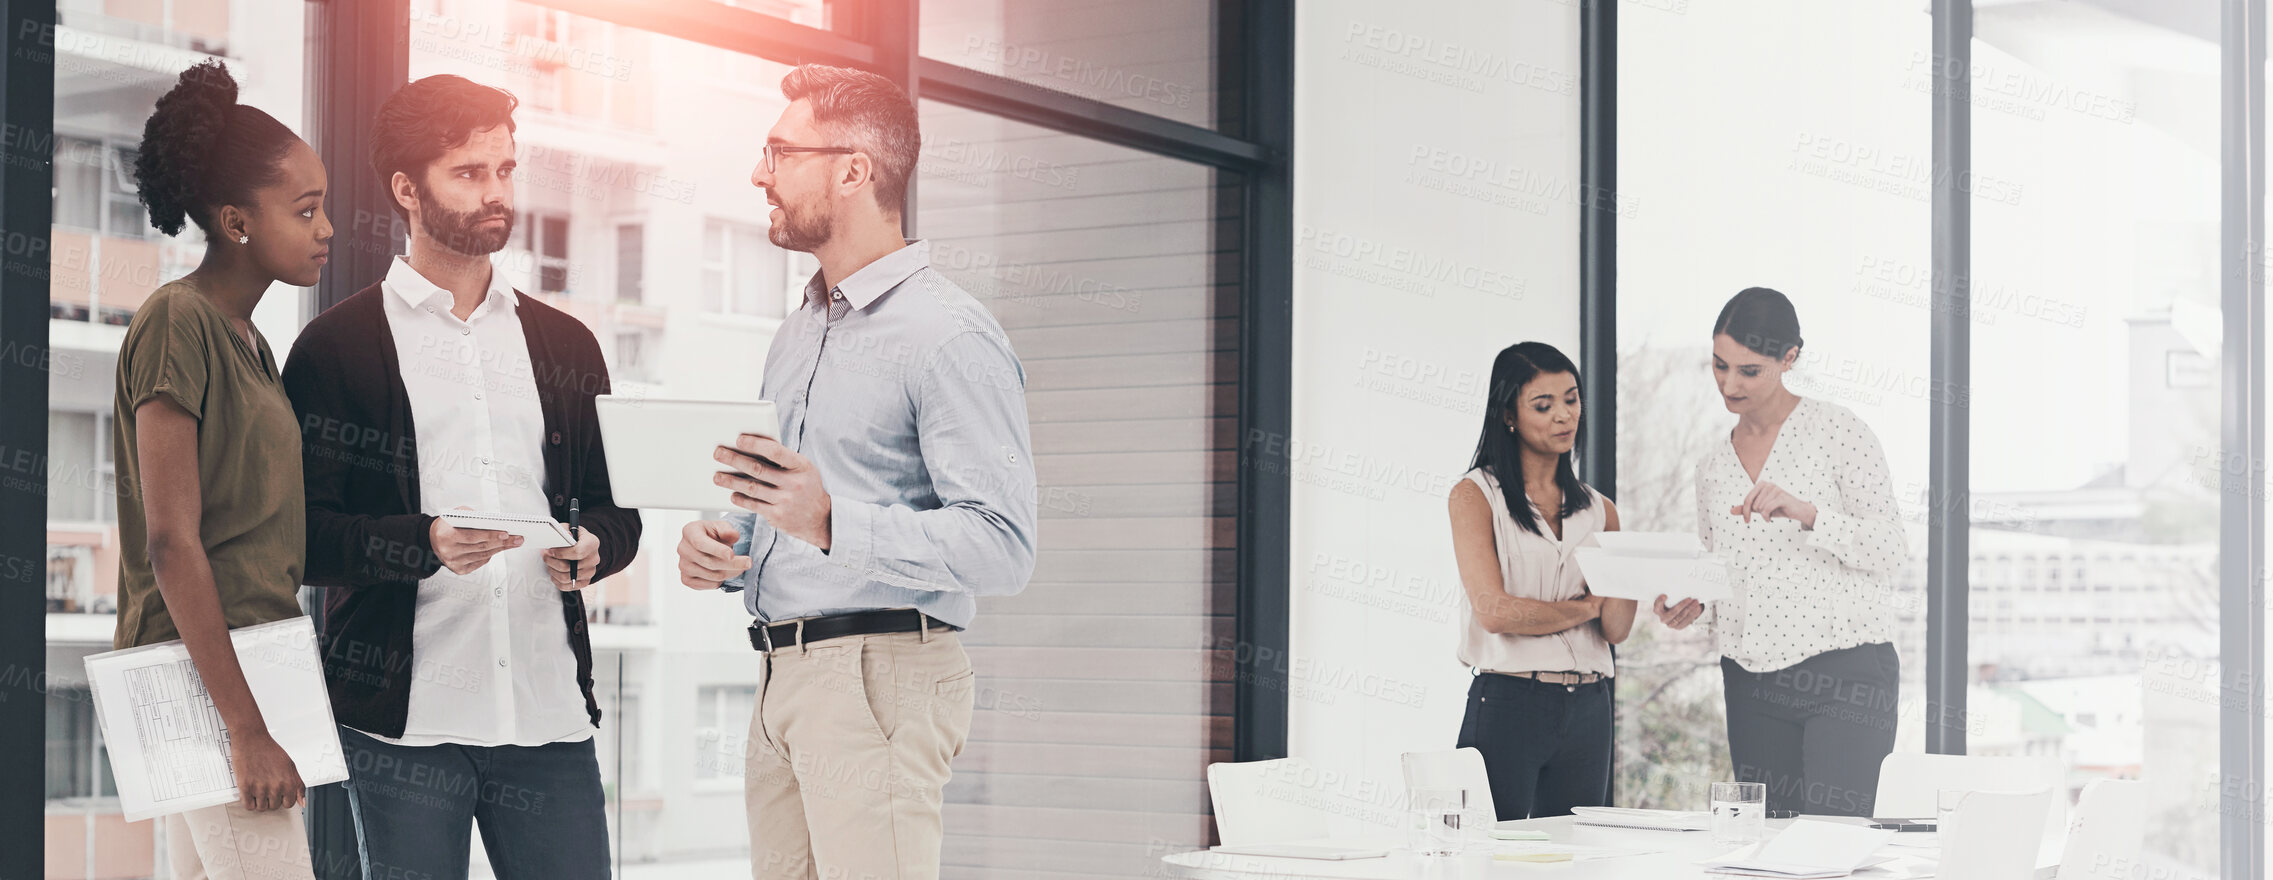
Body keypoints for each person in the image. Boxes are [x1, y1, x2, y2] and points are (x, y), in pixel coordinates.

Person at [673, 64, 1038, 880]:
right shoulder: (797, 332)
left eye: (778, 151)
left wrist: (830, 521)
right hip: (780, 674)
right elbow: (797, 507)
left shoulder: (949, 335)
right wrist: (731, 552)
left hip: (880, 678)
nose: (758, 173)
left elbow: (1004, 545)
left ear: (852, 170)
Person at [280, 74, 638, 880]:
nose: (496, 193)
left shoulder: (568, 347)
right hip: (405, 731)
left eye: (505, 170)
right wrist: (425, 543)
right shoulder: (335, 348)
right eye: (469, 174)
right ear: (407, 189)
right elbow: (301, 541)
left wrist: (595, 550)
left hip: (548, 721)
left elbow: (619, 512)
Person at [114, 58, 328, 880]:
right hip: (203, 675)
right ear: (237, 221)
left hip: (251, 666)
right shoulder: (179, 321)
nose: (327, 229)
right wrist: (244, 728)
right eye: (304, 210)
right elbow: (172, 541)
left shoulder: (248, 341)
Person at [1655, 287, 1905, 817]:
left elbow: (1890, 550)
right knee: (1765, 848)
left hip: (1845, 672)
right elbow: (1720, 571)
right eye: (1719, 366)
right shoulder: (1711, 466)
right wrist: (1694, 605)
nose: (1729, 384)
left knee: (1835, 847)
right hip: (1750, 678)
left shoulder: (1840, 433)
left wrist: (1810, 513)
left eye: (1749, 370)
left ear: (1789, 359)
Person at [1447, 342, 1636, 820]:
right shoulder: (1475, 496)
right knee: (1487, 855)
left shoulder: (1601, 509)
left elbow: (1615, 629)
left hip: (1590, 708)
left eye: (1571, 399)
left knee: (1576, 860)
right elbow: (1495, 612)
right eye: (1543, 405)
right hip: (1510, 701)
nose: (1564, 416)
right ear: (1508, 414)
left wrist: (1644, 576)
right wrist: (1584, 608)